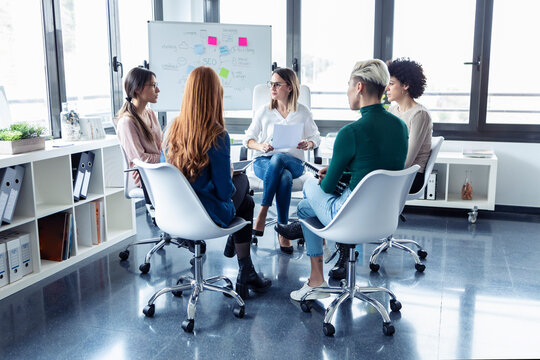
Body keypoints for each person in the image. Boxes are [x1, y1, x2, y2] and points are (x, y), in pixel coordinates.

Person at [278, 59, 408, 301]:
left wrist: (330, 175)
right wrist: (345, 171)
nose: (347, 92)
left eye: (348, 86)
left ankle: (317, 278)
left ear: (359, 87)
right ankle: (318, 267)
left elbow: (326, 187)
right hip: (384, 218)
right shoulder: (401, 128)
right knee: (308, 208)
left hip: (350, 218)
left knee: (308, 187)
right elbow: (376, 172)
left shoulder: (351, 133)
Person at [163, 66, 271, 299]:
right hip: (208, 216)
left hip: (175, 215)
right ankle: (245, 270)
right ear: (214, 96)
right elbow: (224, 193)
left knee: (247, 203)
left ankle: (246, 267)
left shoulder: (171, 131)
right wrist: (229, 173)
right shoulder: (217, 135)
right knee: (243, 186)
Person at [243, 68, 320, 254]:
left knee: (280, 160)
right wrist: (260, 146)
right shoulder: (264, 111)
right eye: (271, 83)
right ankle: (283, 231)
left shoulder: (303, 112)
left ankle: (262, 211)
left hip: (294, 163)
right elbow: (248, 139)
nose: (272, 87)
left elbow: (316, 138)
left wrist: (307, 143)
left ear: (290, 87)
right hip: (264, 162)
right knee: (283, 176)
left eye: (277, 84)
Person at [386, 58, 433, 194]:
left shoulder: (420, 114)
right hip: (395, 171)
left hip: (411, 176)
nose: (387, 88)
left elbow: (407, 160)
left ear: (405, 85)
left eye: (391, 84)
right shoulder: (392, 110)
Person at [115, 67, 162, 188]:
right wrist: (166, 158)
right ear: (137, 89)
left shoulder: (150, 113)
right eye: (153, 85)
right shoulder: (127, 122)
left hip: (160, 171)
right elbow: (140, 159)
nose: (158, 90)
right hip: (148, 176)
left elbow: (161, 146)